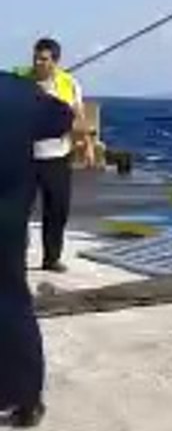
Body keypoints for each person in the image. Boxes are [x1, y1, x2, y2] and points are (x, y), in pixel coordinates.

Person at [0, 71, 76, 428]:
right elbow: (63, 118)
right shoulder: (18, 91)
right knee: (12, 302)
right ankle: (26, 399)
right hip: (9, 219)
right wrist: (38, 94)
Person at [14, 38, 92, 273]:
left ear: (55, 62)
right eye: (36, 58)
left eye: (44, 59)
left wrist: (86, 144)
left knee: (57, 209)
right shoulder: (20, 80)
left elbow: (78, 117)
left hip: (57, 156)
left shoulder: (69, 84)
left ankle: (51, 257)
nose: (38, 63)